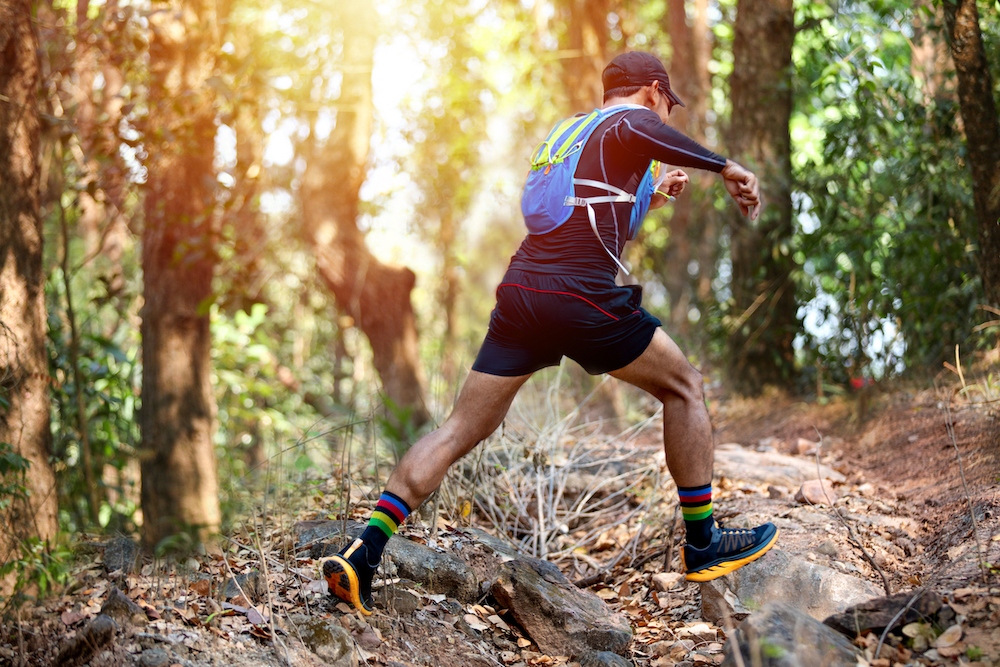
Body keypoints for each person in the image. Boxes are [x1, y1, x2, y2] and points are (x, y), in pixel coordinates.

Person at [324, 51, 778, 616]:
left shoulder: (572, 132)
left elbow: (603, 220)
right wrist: (726, 166)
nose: (664, 113)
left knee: (462, 426)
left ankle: (363, 552)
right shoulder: (629, 120)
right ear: (654, 91)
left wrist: (655, 193)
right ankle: (703, 542)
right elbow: (644, 130)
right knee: (685, 385)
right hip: (576, 292)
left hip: (523, 292)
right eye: (666, 102)